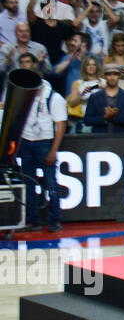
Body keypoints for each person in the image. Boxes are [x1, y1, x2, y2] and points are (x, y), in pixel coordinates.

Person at [14, 52, 66, 232]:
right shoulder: (24, 93)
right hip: (26, 142)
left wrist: (54, 150)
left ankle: (55, 219)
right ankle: (32, 220)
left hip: (45, 143)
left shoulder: (54, 97)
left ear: (42, 78)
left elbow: (60, 125)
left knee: (51, 182)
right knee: (28, 183)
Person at [82, 63, 124, 133]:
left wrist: (114, 116)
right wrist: (104, 118)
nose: (112, 77)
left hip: (121, 138)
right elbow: (87, 120)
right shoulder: (95, 97)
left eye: (115, 74)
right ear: (104, 76)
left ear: (119, 76)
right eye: (109, 74)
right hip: (99, 139)